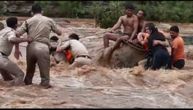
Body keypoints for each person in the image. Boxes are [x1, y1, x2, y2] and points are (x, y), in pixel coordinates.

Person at [16, 4, 62, 88]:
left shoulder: (28, 21)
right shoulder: (49, 20)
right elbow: (59, 32)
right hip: (43, 48)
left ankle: (27, 90)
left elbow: (18, 33)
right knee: (45, 78)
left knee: (29, 74)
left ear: (32, 12)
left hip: (31, 47)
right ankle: (43, 93)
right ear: (42, 11)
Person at [0, 17, 32, 86]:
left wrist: (17, 50)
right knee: (20, 74)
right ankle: (13, 92)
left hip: (2, 58)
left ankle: (6, 90)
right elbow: (12, 39)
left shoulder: (3, 31)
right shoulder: (10, 32)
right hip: (1, 58)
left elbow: (16, 36)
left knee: (8, 78)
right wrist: (26, 39)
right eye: (17, 23)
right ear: (15, 25)